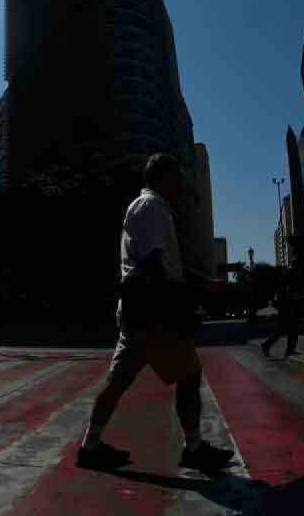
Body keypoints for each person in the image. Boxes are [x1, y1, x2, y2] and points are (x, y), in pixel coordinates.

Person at [76, 153, 234, 472]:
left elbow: (167, 264)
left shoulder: (149, 208)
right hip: (155, 314)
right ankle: (193, 447)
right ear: (161, 177)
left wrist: (205, 283)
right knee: (189, 375)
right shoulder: (152, 208)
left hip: (139, 311)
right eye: (176, 178)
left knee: (118, 380)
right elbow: (155, 266)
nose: (180, 186)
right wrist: (182, 305)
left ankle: (90, 446)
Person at [261, 267, 302, 358]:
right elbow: (282, 300)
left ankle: (288, 350)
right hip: (285, 312)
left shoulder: (283, 285)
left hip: (285, 311)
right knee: (288, 331)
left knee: (286, 331)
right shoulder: (283, 286)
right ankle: (267, 345)